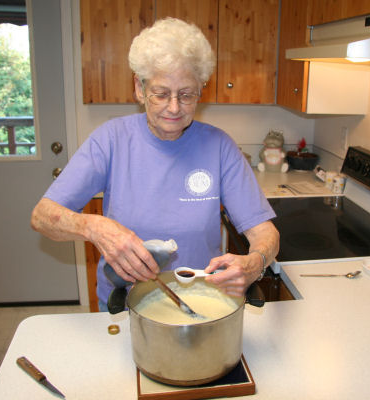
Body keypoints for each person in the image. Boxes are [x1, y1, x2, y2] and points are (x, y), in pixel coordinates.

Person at [31, 18, 279, 311]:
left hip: (201, 305)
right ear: (139, 87)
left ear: (201, 90)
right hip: (125, 307)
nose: (174, 107)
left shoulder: (219, 146)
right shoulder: (111, 140)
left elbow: (266, 233)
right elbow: (42, 216)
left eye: (186, 95)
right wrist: (94, 227)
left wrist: (256, 262)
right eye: (161, 93)